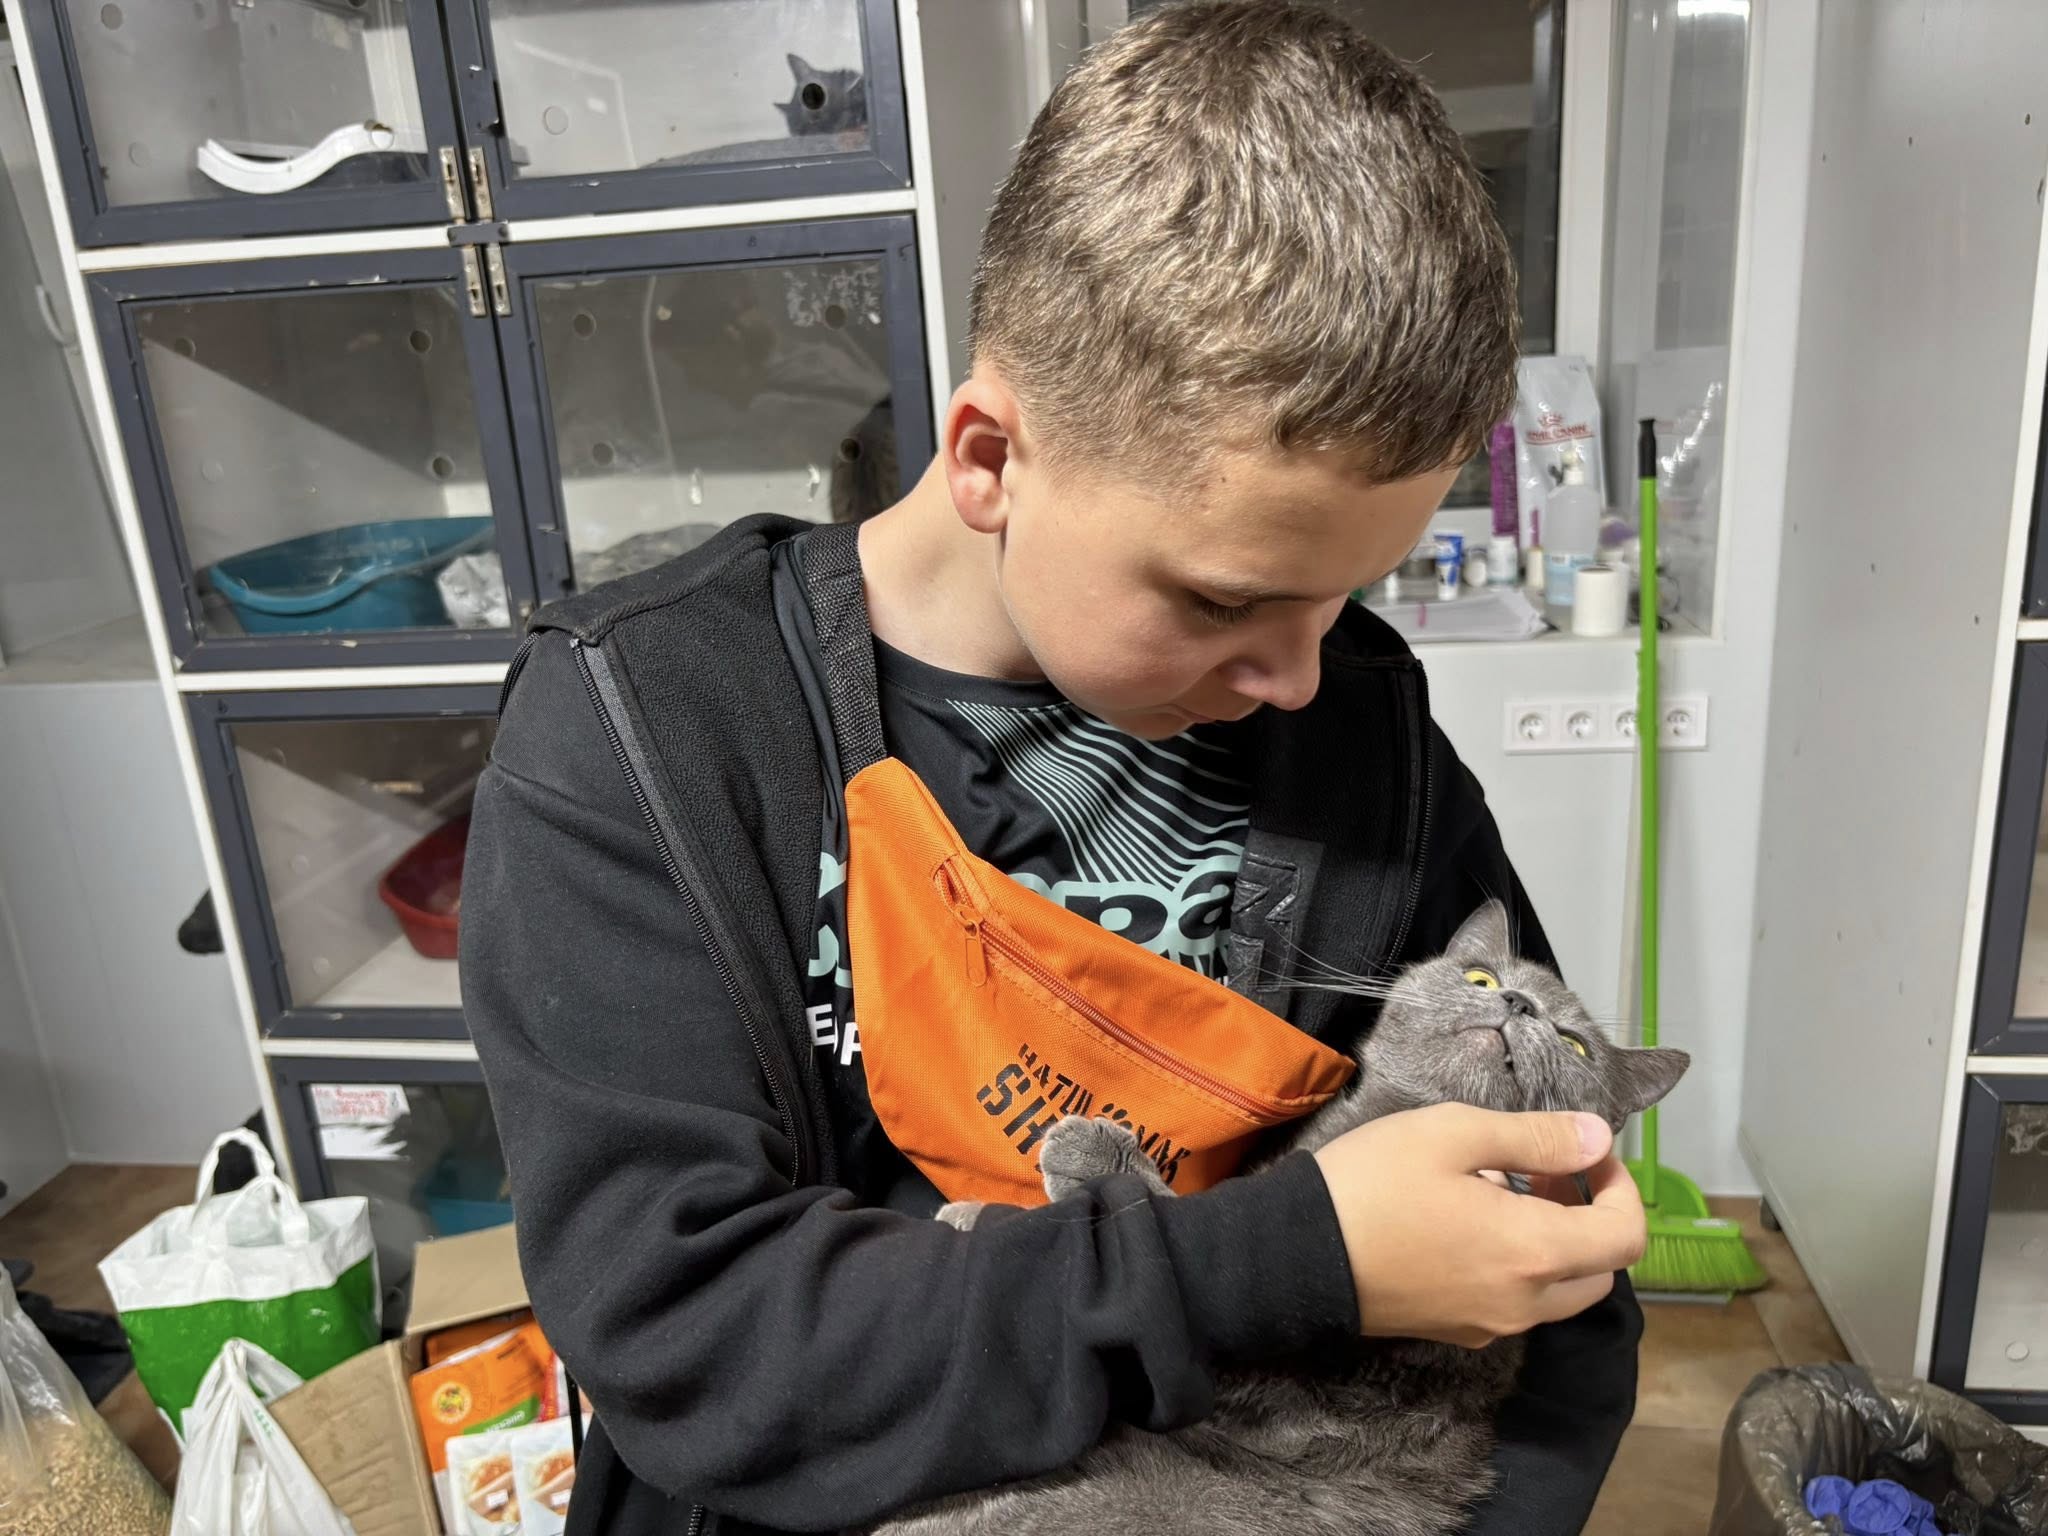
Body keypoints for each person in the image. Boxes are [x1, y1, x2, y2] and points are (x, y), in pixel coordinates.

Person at [461, 5, 1649, 1533]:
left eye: (1345, 596)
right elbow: (699, 1343)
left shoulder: (1363, 736)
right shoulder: (646, 727)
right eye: (1220, 600)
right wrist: (1302, 1259)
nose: (1300, 677)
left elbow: (1559, 1290)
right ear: (988, 458)